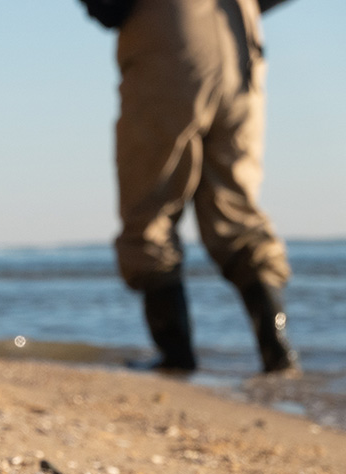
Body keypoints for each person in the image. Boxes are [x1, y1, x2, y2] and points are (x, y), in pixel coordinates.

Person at [86, 0, 298, 374]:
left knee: (149, 207)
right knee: (237, 210)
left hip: (170, 41)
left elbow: (108, 8)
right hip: (242, 46)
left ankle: (176, 356)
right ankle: (277, 352)